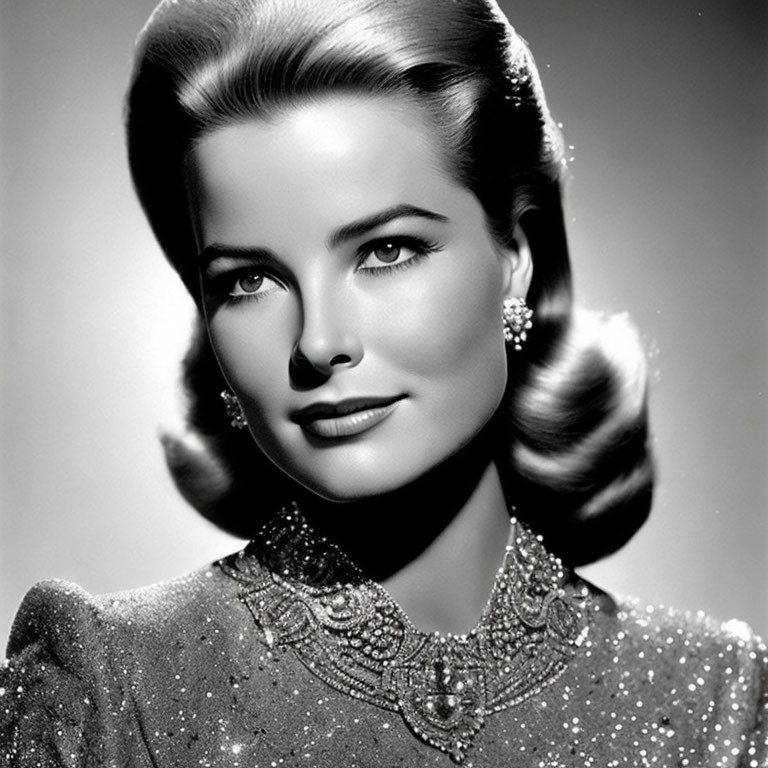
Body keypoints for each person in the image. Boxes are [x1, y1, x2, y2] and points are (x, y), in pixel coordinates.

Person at [1, 0, 766, 765]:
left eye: (387, 251)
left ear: (517, 255)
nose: (320, 342)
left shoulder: (710, 701)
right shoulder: (108, 688)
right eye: (251, 280)